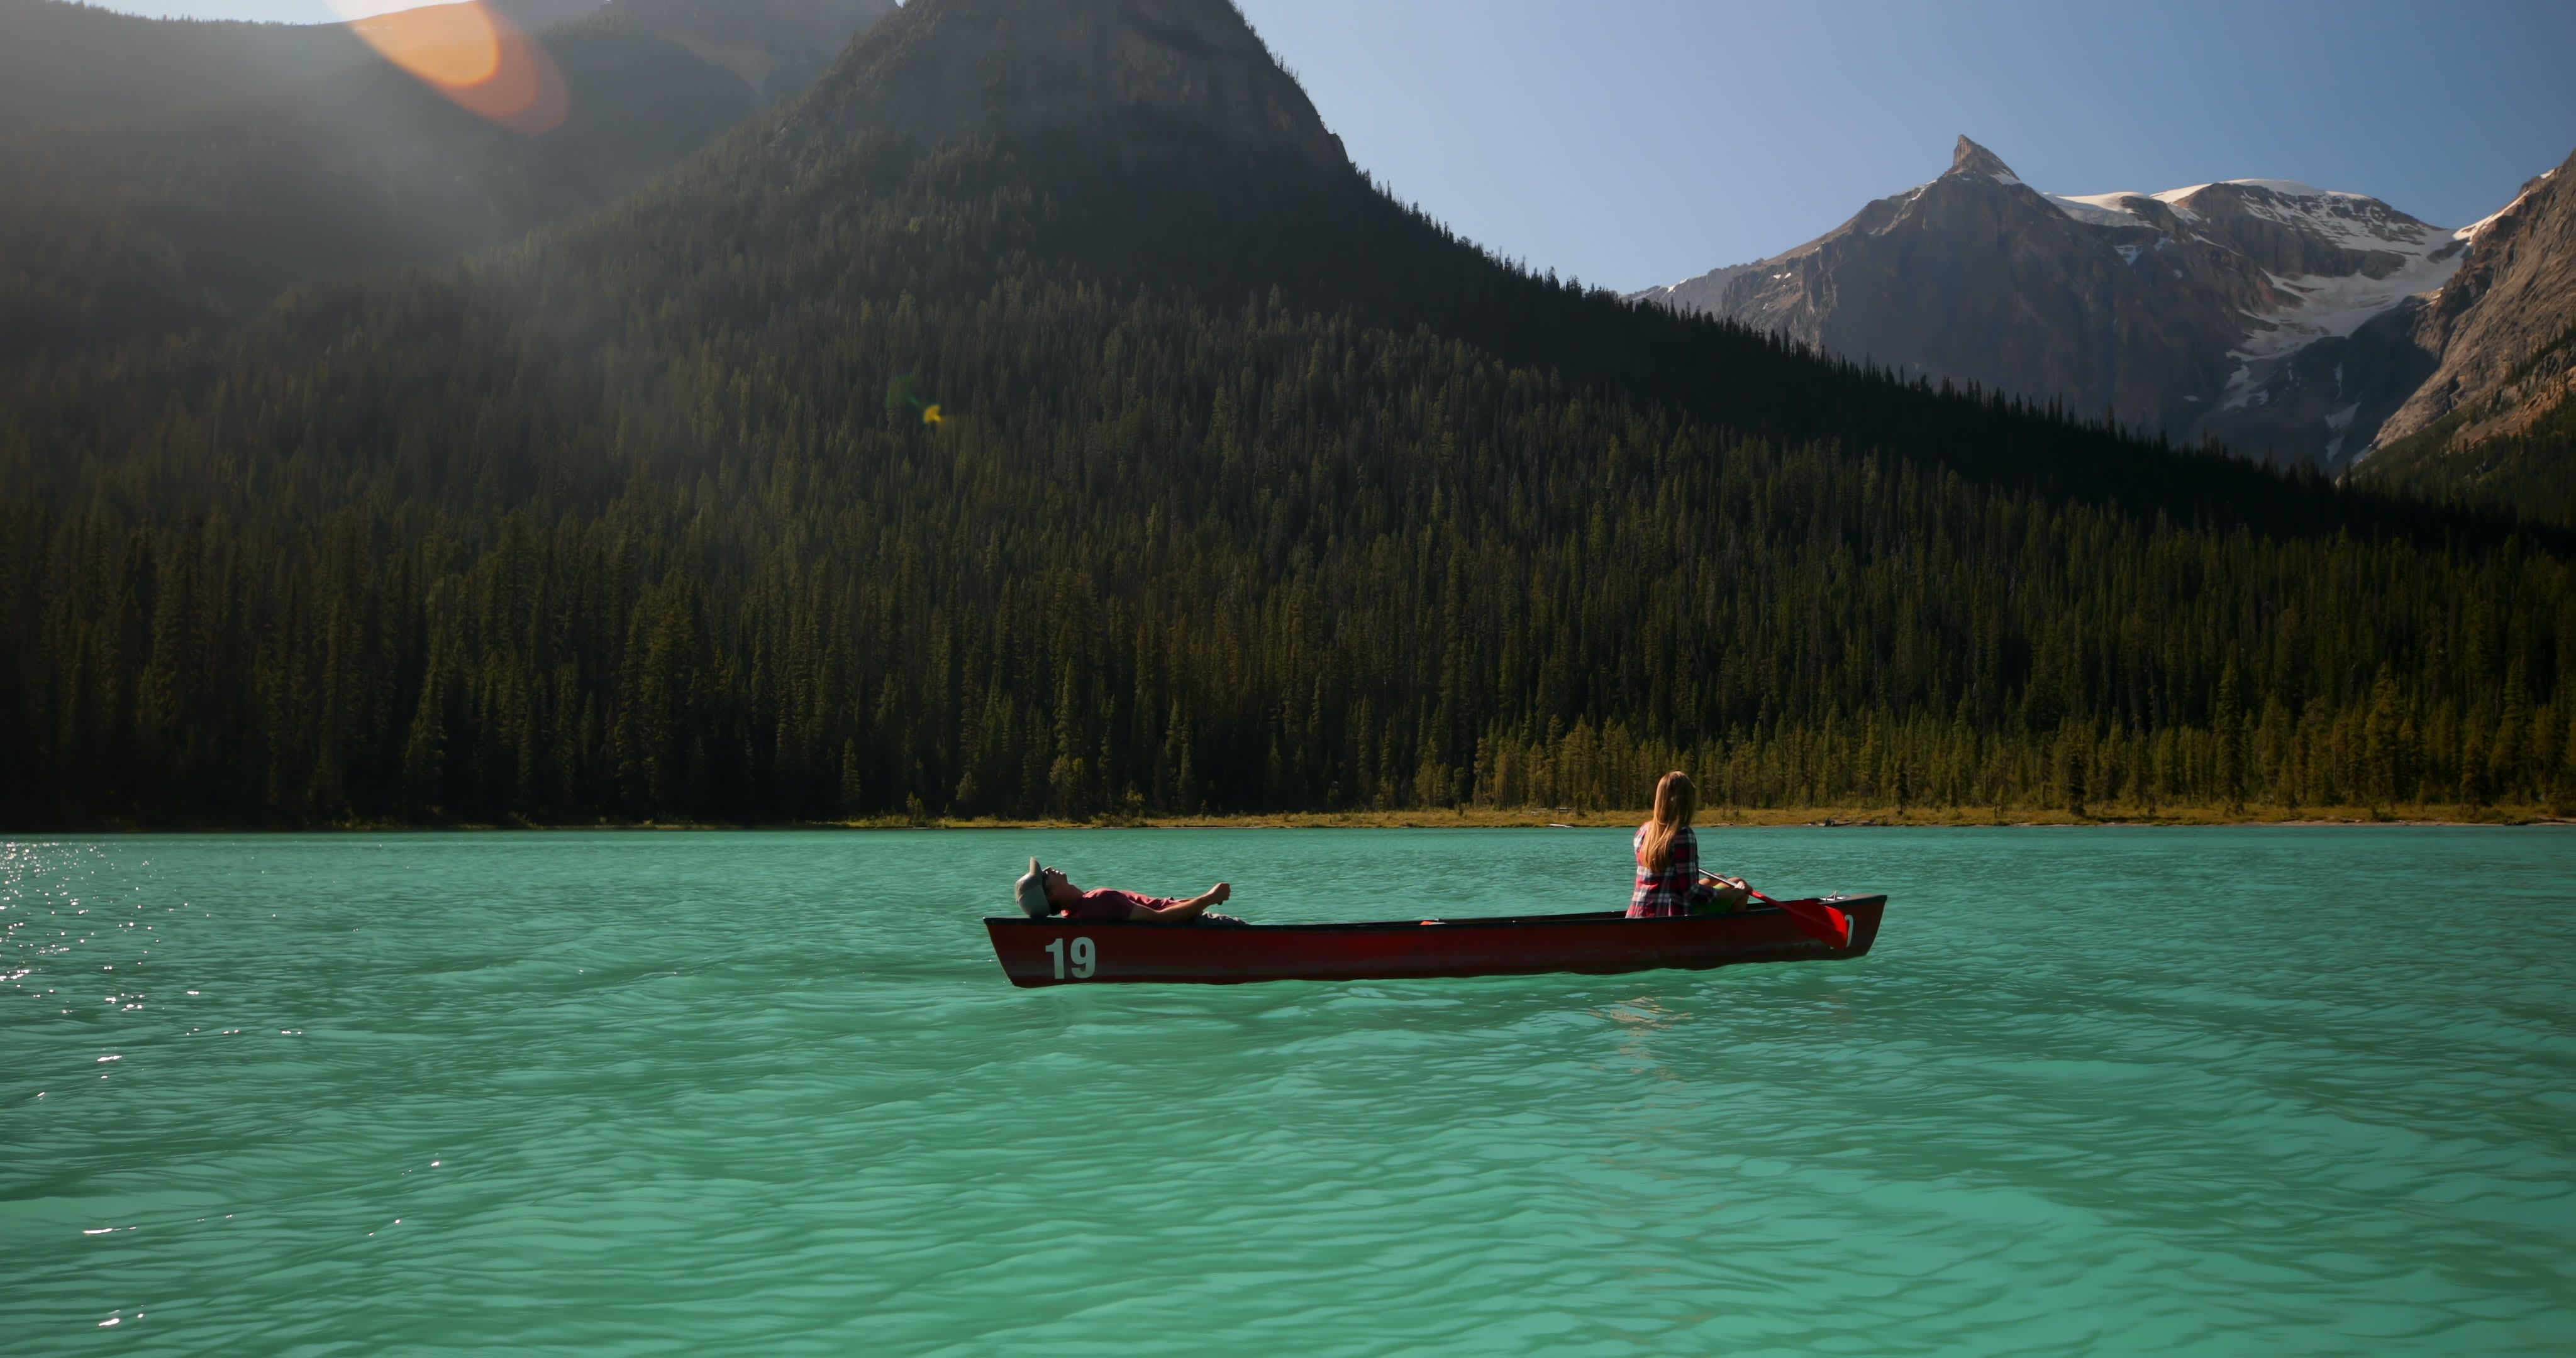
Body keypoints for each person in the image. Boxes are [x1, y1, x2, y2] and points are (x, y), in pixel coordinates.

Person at [1628, 771, 1752, 919]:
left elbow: (1669, 880)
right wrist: (1733, 894)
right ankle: (1728, 938)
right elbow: (1691, 892)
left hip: (1638, 912)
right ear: (1686, 802)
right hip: (1670, 913)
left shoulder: (1643, 831)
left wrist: (1716, 884)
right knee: (1738, 884)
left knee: (1719, 877)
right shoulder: (1682, 834)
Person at [1012, 858, 1246, 924]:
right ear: (1051, 895)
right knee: (1242, 928)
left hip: (1184, 912)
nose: (1050, 869)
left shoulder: (1075, 914)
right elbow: (1160, 919)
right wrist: (1209, 898)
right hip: (1192, 923)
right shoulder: (1100, 900)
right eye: (1045, 876)